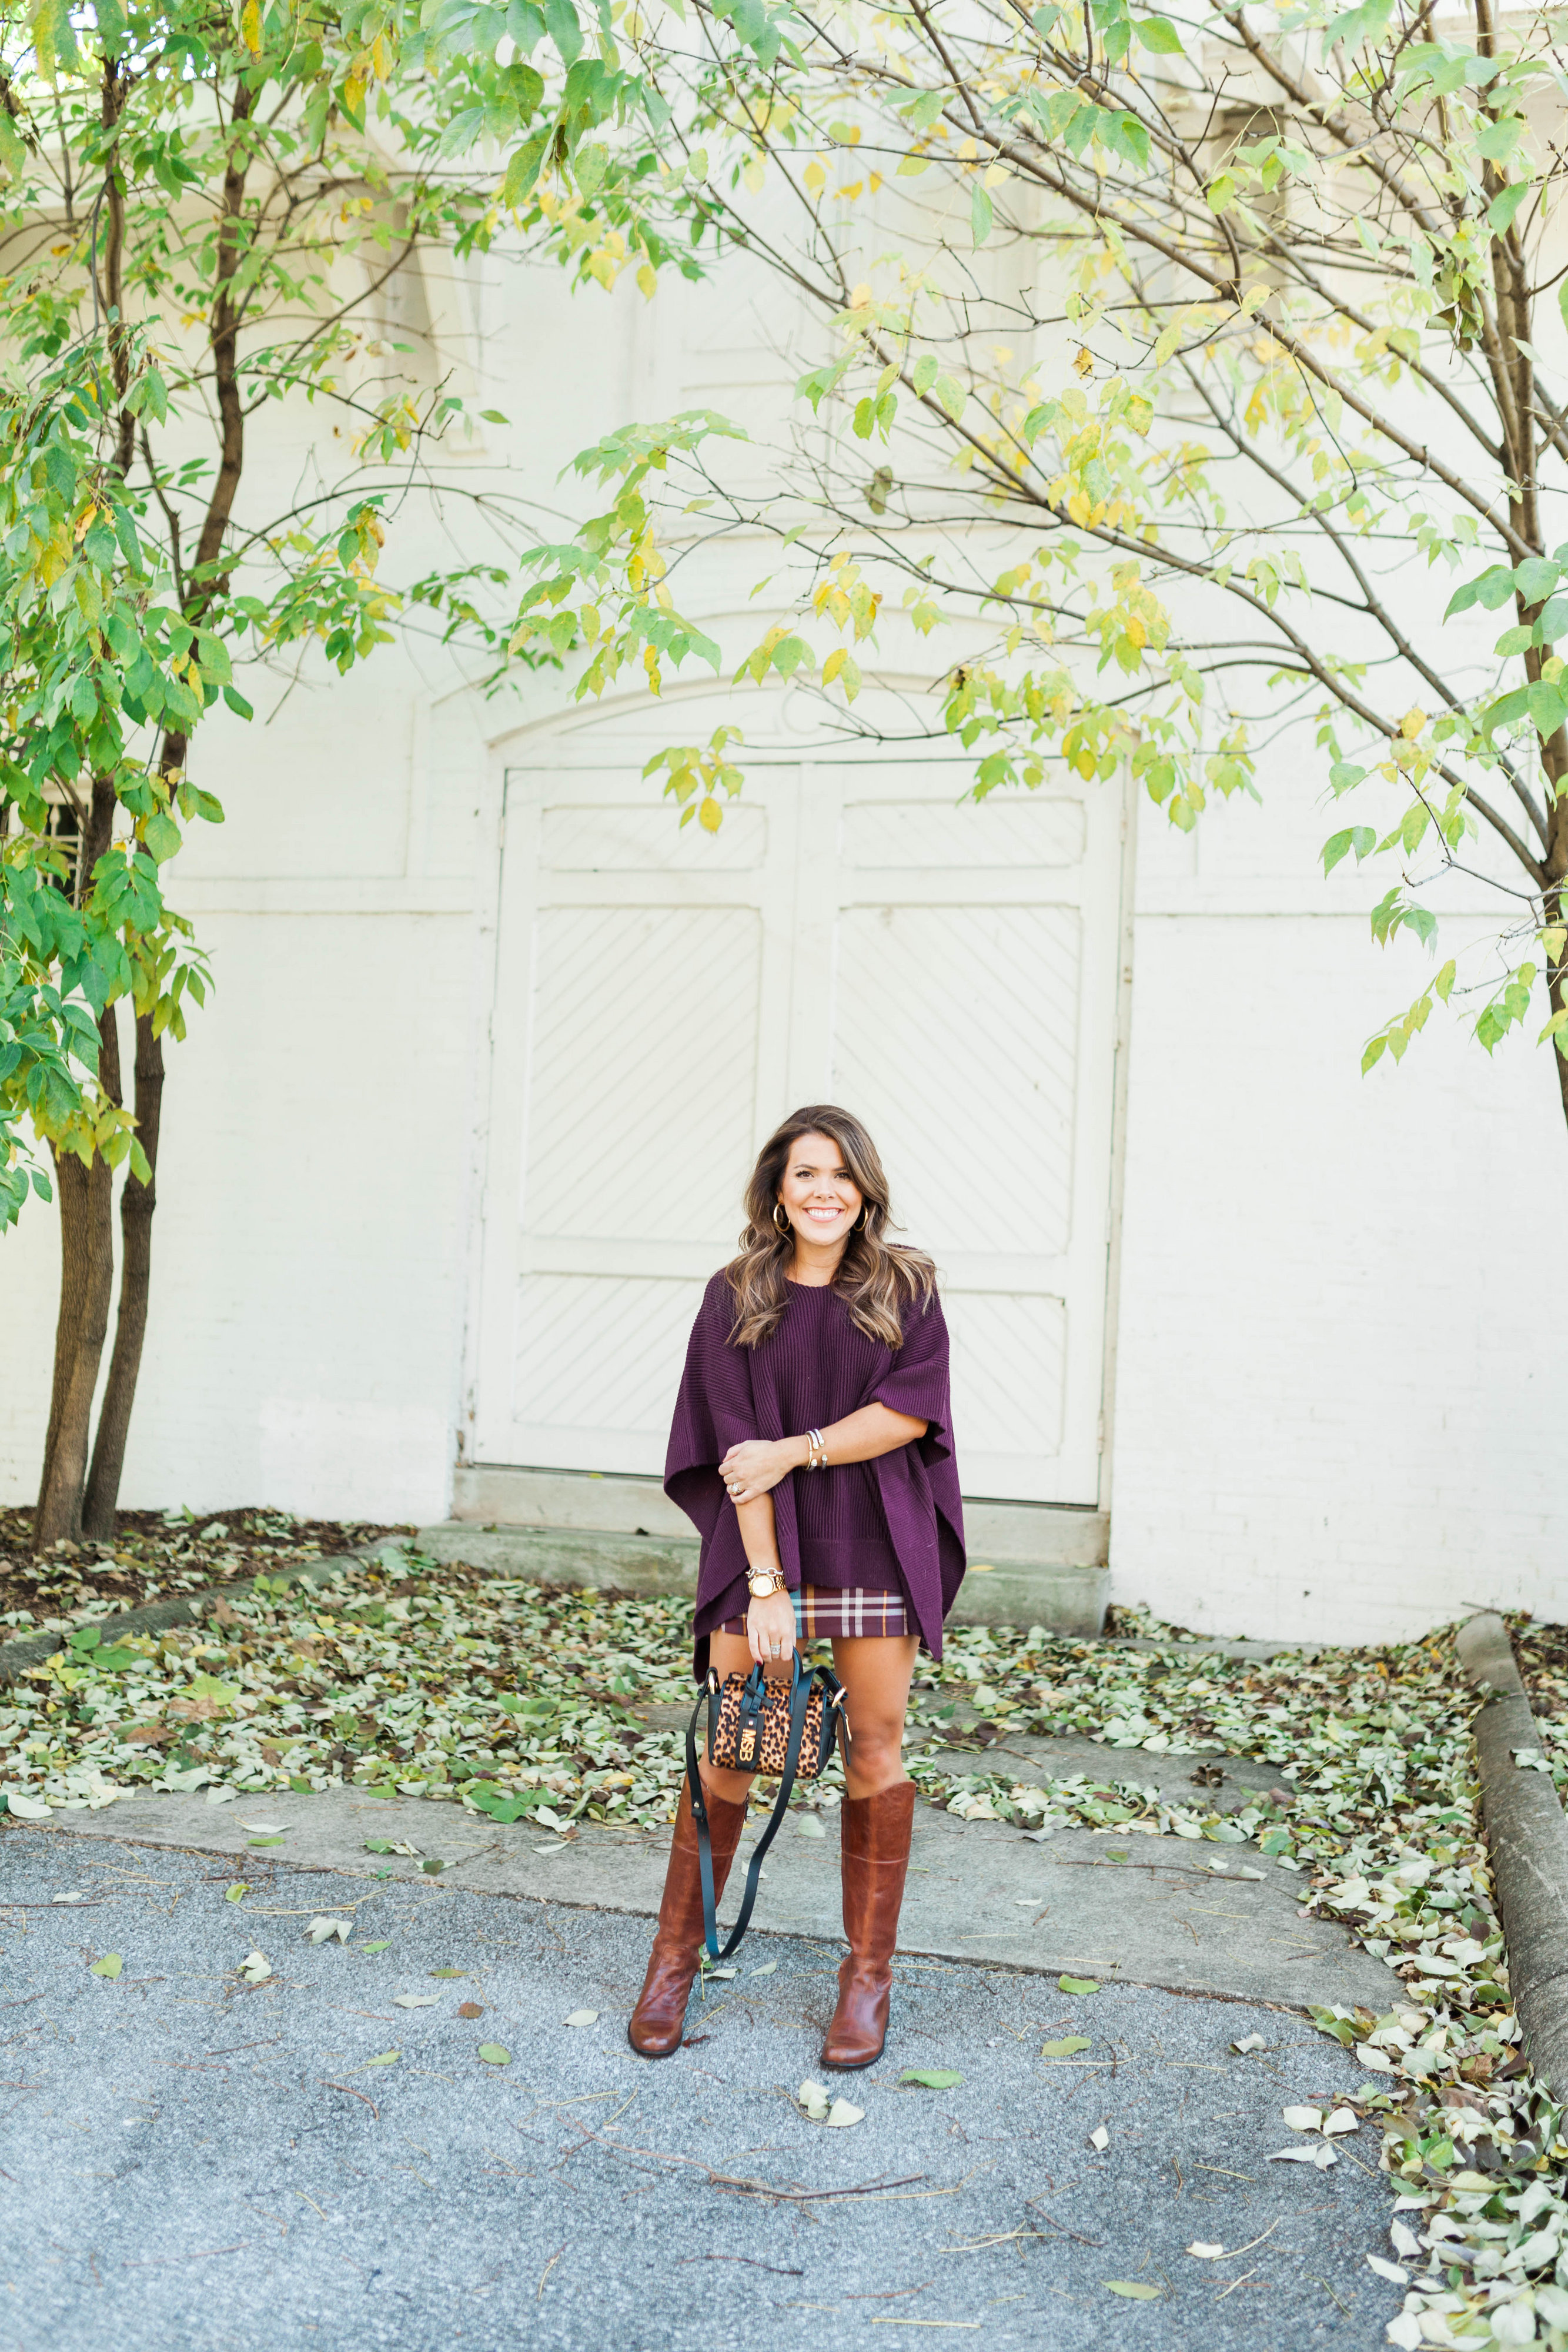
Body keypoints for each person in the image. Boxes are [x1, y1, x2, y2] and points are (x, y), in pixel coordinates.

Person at [627, 1104, 966, 2068]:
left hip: (875, 1541)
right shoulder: (735, 1292)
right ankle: (672, 1963)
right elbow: (735, 1456)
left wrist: (796, 1450)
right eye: (806, 1173)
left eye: (842, 1175)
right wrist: (767, 1585)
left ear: (865, 1191)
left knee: (875, 1749)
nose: (824, 1191)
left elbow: (908, 1413)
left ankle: (867, 1980)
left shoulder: (908, 1285)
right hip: (764, 1546)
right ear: (777, 1188)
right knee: (735, 1748)